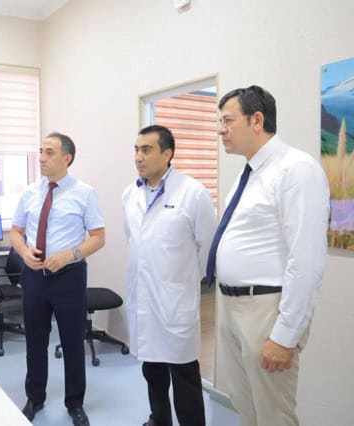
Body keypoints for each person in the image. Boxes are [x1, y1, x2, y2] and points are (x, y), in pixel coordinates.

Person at [207, 86, 329, 426]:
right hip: (230, 307)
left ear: (257, 120)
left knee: (273, 415)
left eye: (228, 121)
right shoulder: (247, 174)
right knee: (246, 408)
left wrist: (285, 336)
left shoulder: (296, 170)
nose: (220, 130)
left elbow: (306, 262)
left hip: (265, 311)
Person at [122, 125, 216, 426]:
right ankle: (159, 419)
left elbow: (207, 249)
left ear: (167, 154)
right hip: (144, 297)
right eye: (136, 150)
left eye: (146, 149)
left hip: (175, 300)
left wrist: (179, 280)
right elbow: (135, 241)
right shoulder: (130, 194)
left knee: (184, 373)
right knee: (152, 370)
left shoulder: (193, 193)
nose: (138, 157)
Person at [10, 132, 105, 426]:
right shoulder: (29, 192)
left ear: (67, 158)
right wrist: (24, 252)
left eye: (49, 152)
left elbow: (98, 238)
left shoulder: (84, 193)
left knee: (73, 341)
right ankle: (35, 398)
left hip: (69, 277)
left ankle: (75, 403)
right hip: (34, 276)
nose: (41, 158)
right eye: (40, 151)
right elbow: (15, 231)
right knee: (35, 340)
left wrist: (68, 255)